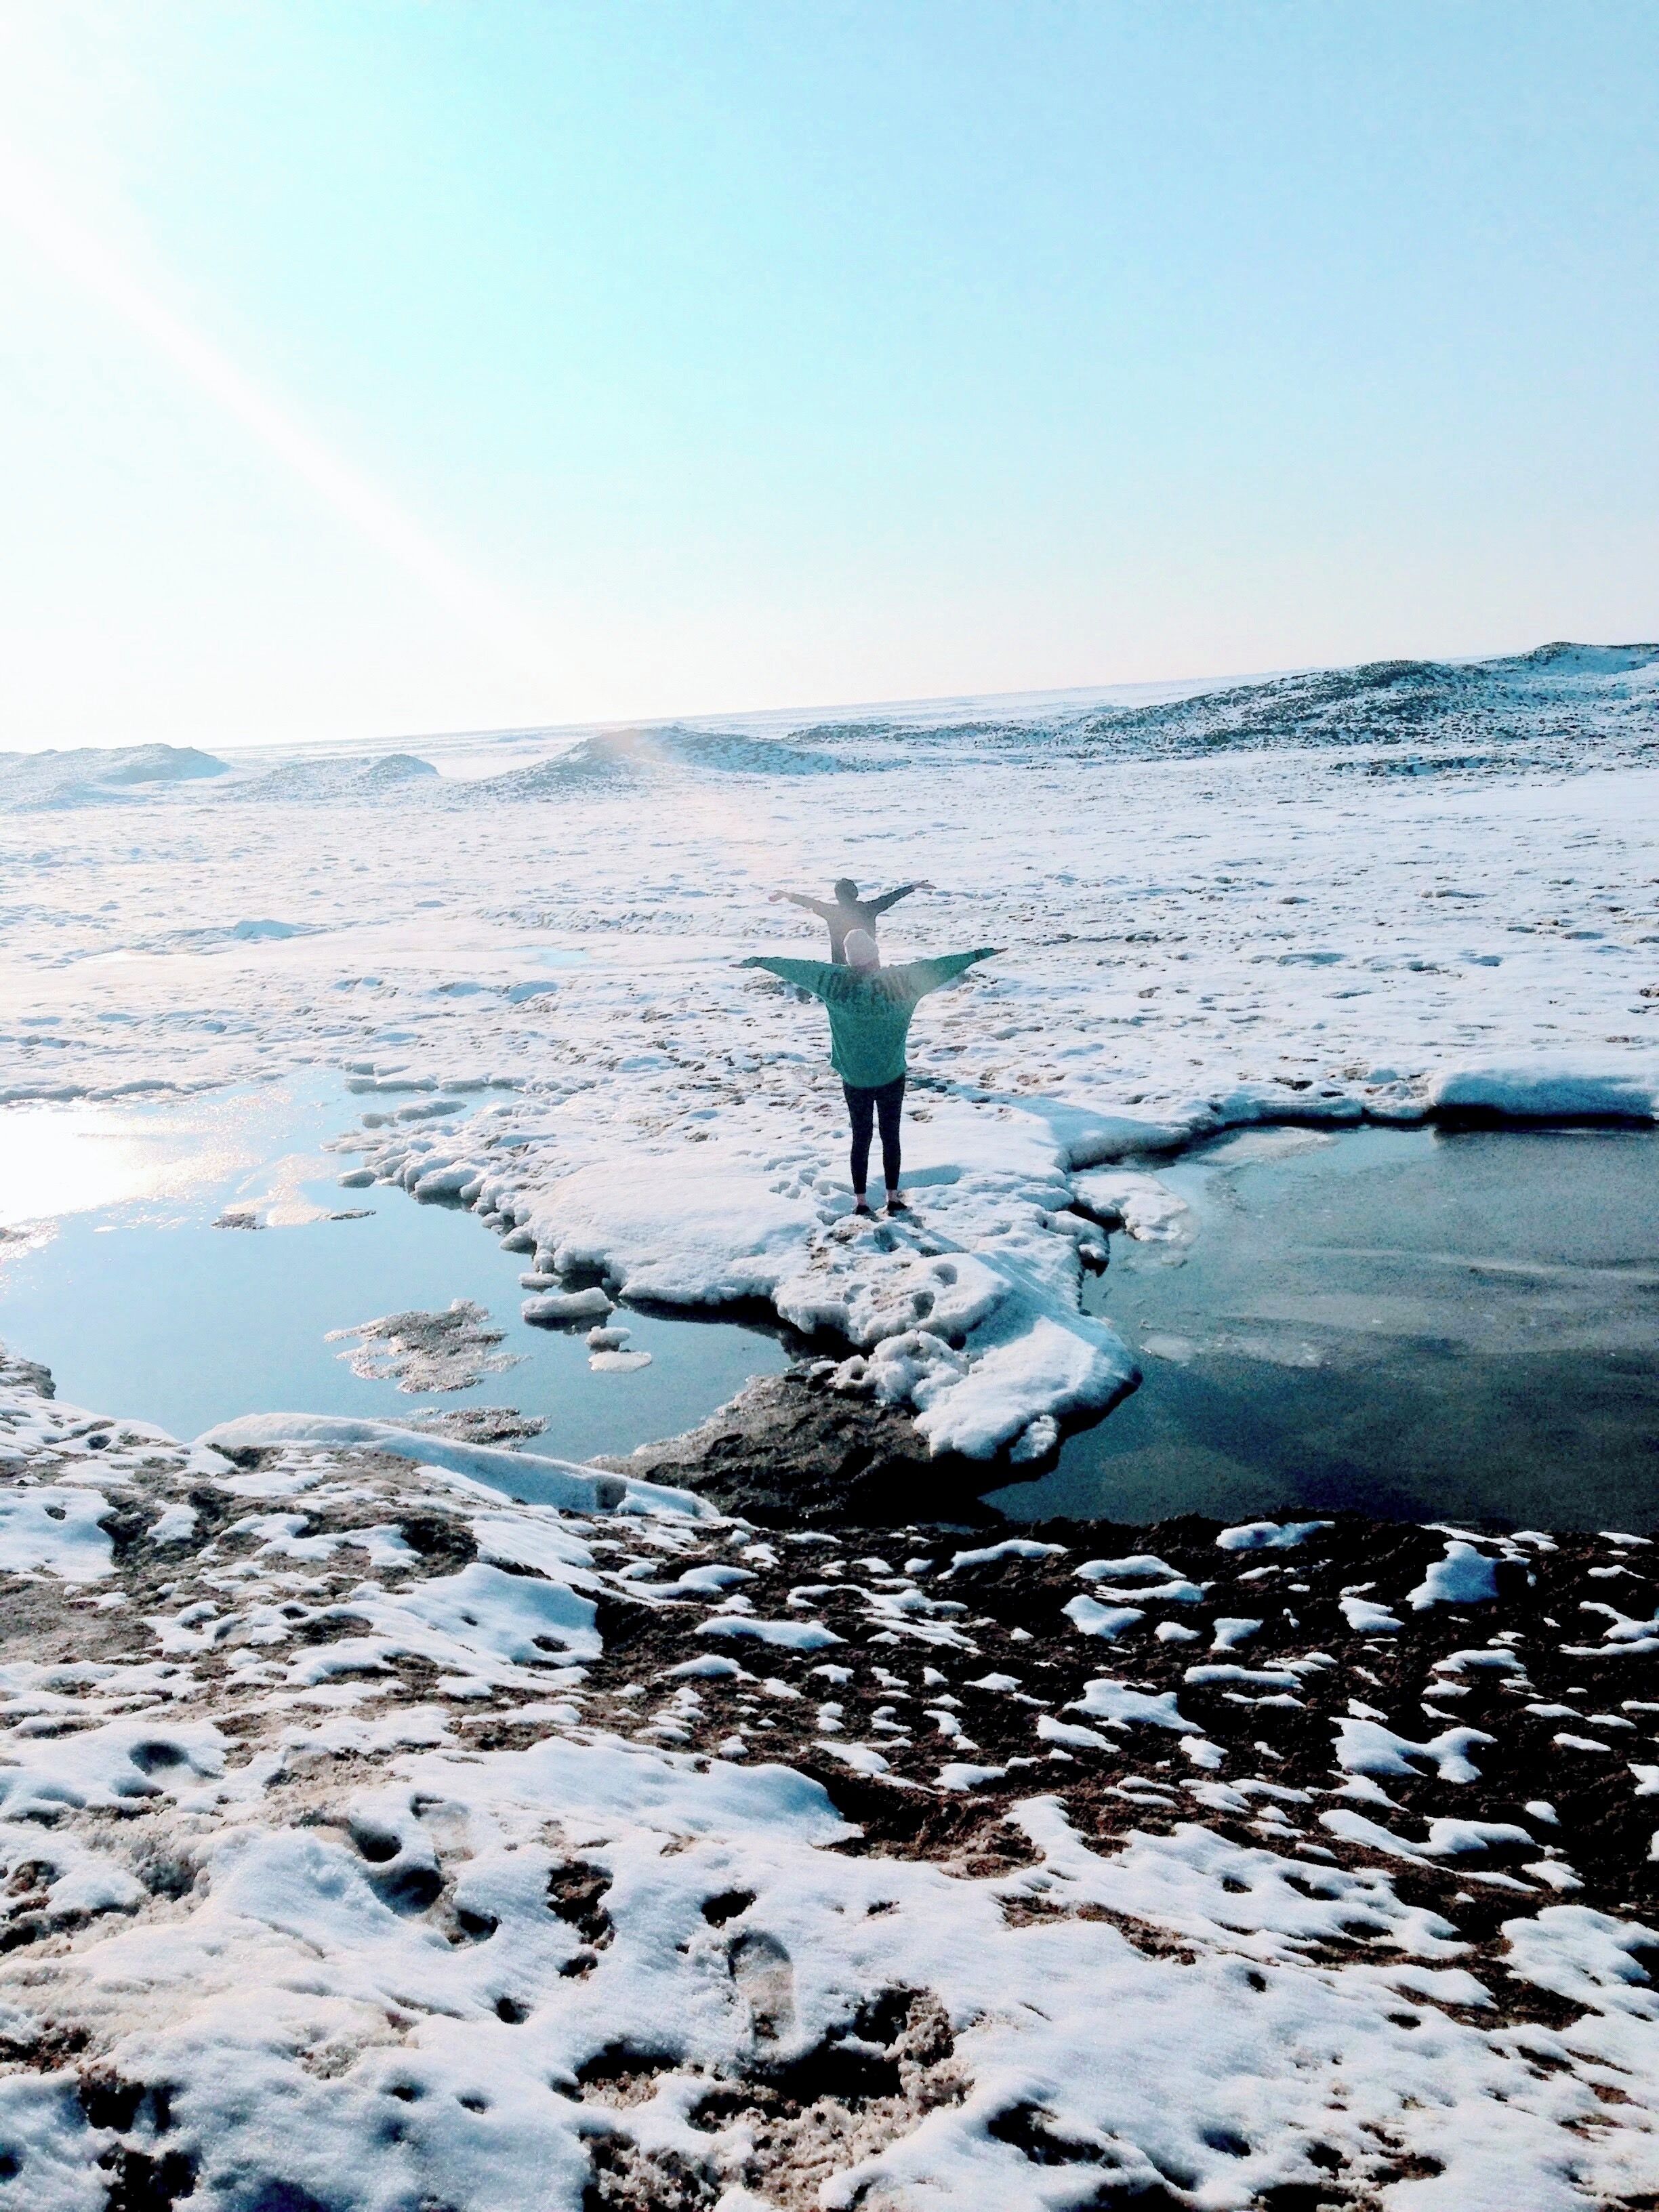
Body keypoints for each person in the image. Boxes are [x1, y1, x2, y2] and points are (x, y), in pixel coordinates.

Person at [741, 929, 1000, 1217]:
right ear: (876, 955)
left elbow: (795, 968)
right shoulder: (903, 981)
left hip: (854, 1077)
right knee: (891, 1136)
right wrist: (979, 954)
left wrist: (758, 961)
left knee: (860, 1137)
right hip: (891, 1073)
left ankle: (861, 1202)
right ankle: (892, 1197)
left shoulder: (833, 980)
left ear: (850, 960)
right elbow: (941, 966)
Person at [769, 876, 933, 964]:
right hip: (870, 966)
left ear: (837, 895)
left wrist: (786, 895)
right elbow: (891, 898)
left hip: (841, 969)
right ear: (855, 893)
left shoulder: (831, 912)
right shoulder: (869, 909)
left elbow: (809, 902)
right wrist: (914, 887)